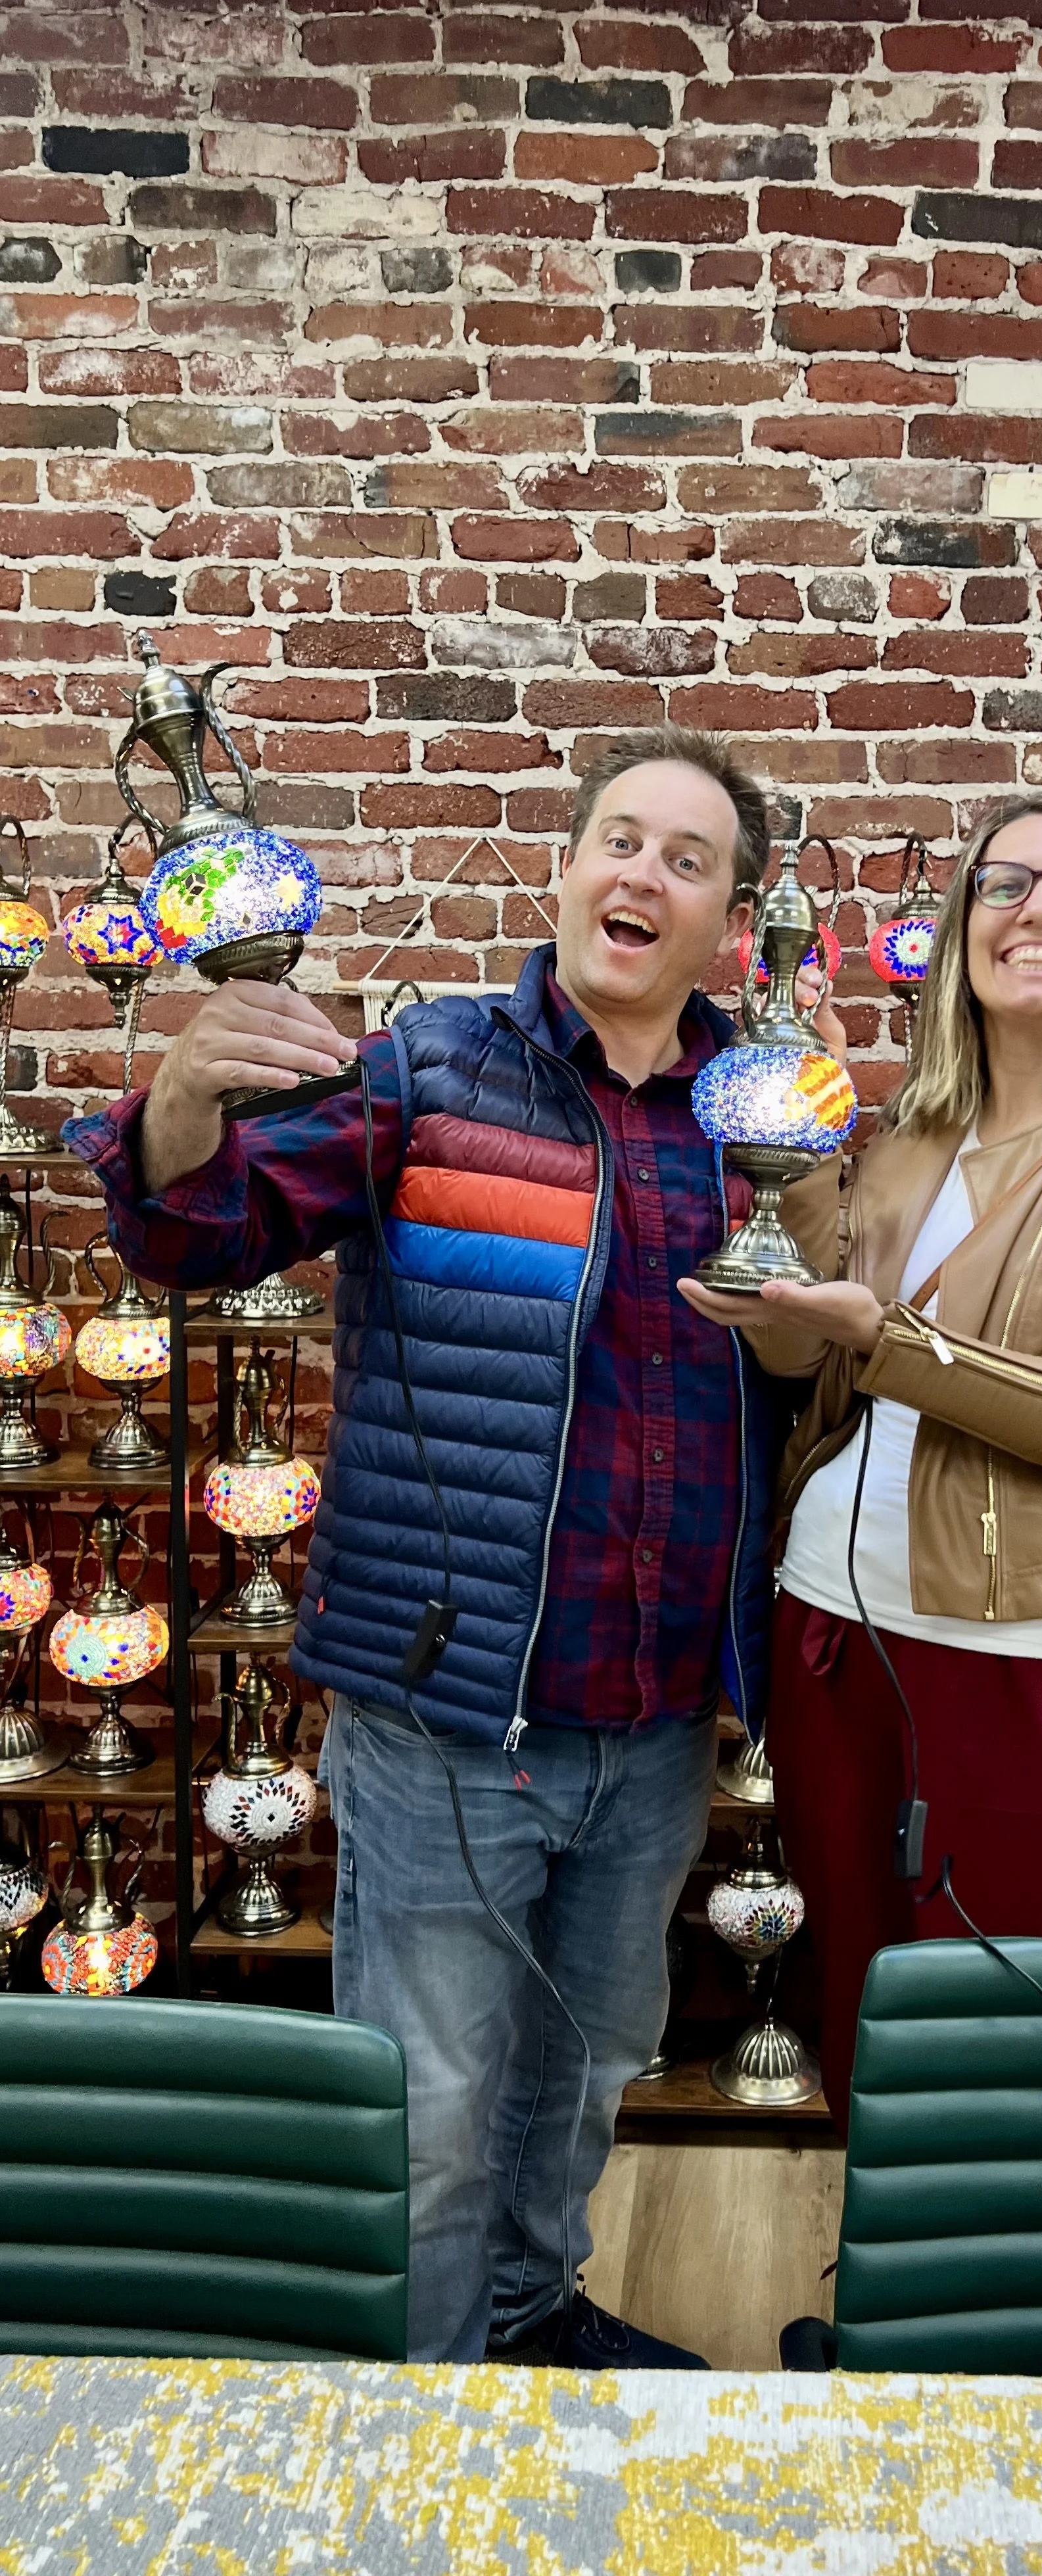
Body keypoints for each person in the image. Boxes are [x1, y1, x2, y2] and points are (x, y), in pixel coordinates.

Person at [66, 727, 792, 2366]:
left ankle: (529, 2325)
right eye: (621, 838)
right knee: (432, 2113)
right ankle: (424, 2410)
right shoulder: (431, 1074)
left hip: (659, 1714)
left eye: (688, 858)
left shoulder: (758, 1126)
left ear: (729, 924)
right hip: (448, 1709)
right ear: (565, 871)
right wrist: (179, 1098)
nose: (643, 874)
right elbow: (207, 1231)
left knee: (589, 2071)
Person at [681, 798, 1042, 2130]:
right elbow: (801, 1359)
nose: (1036, 910)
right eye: (1001, 885)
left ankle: (1036, 2337)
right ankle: (886, 2322)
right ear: (959, 933)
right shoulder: (916, 1132)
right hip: (836, 1626)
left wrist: (889, 1340)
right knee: (867, 2016)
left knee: (1040, 2047)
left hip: (1036, 1654)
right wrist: (806, 1149)